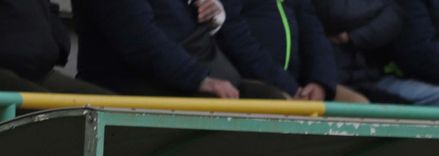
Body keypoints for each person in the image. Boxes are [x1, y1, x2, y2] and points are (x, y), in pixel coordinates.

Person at [74, 0, 289, 99]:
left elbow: (177, 20)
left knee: (270, 97)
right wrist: (199, 79)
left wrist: (214, 11)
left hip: (186, 71)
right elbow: (140, 40)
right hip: (133, 81)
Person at [218, 0, 341, 101]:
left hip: (299, 85)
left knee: (356, 103)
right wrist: (289, 87)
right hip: (246, 81)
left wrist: (320, 83)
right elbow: (234, 38)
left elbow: (313, 32)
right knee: (282, 100)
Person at [0, 0, 112, 94]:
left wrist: (58, 44)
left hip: (40, 71)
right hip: (7, 73)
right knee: (58, 112)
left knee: (115, 109)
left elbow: (47, 8)